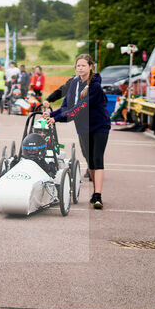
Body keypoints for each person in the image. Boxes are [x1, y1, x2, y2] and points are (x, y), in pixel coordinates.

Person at [44, 53, 105, 208]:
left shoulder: (95, 86)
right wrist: (52, 114)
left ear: (91, 67)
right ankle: (95, 193)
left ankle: (97, 195)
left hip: (99, 126)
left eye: (83, 65)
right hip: (83, 127)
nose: (80, 68)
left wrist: (57, 119)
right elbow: (67, 106)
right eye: (78, 65)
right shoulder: (74, 83)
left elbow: (80, 108)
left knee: (97, 159)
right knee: (90, 159)